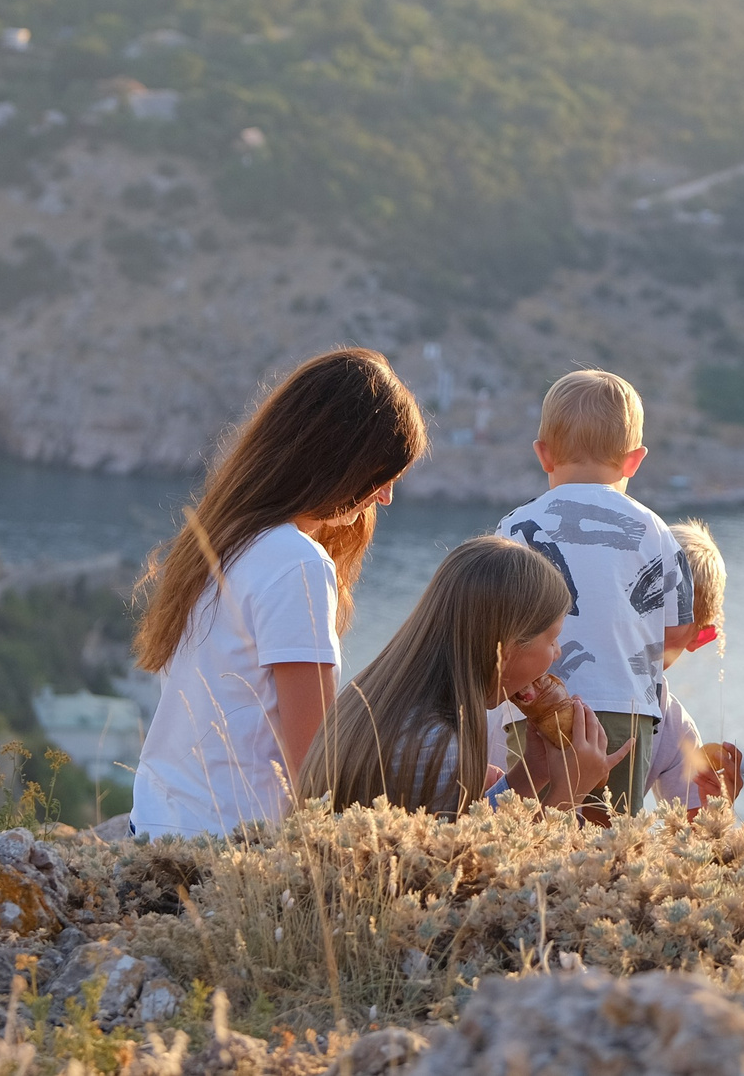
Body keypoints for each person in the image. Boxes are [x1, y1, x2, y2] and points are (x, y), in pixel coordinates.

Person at [127, 348, 426, 837]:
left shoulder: (222, 536)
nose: (386, 496)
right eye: (381, 476)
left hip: (156, 823)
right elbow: (315, 764)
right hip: (231, 847)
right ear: (339, 460)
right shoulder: (297, 564)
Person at [299, 537, 635, 816]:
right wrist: (569, 792)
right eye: (551, 639)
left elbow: (458, 825)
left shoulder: (382, 700)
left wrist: (533, 771)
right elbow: (477, 879)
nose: (557, 652)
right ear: (504, 646)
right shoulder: (438, 743)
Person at [494, 369, 692, 818]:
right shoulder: (658, 532)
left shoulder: (511, 529)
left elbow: (490, 622)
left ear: (543, 455)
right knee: (611, 842)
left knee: (528, 832)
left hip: (532, 706)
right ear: (634, 460)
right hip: (626, 708)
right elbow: (679, 633)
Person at [647, 519, 744, 812]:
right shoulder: (675, 727)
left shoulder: (675, 731)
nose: (644, 627)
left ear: (700, 637)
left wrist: (715, 805)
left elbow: (689, 840)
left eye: (665, 616)